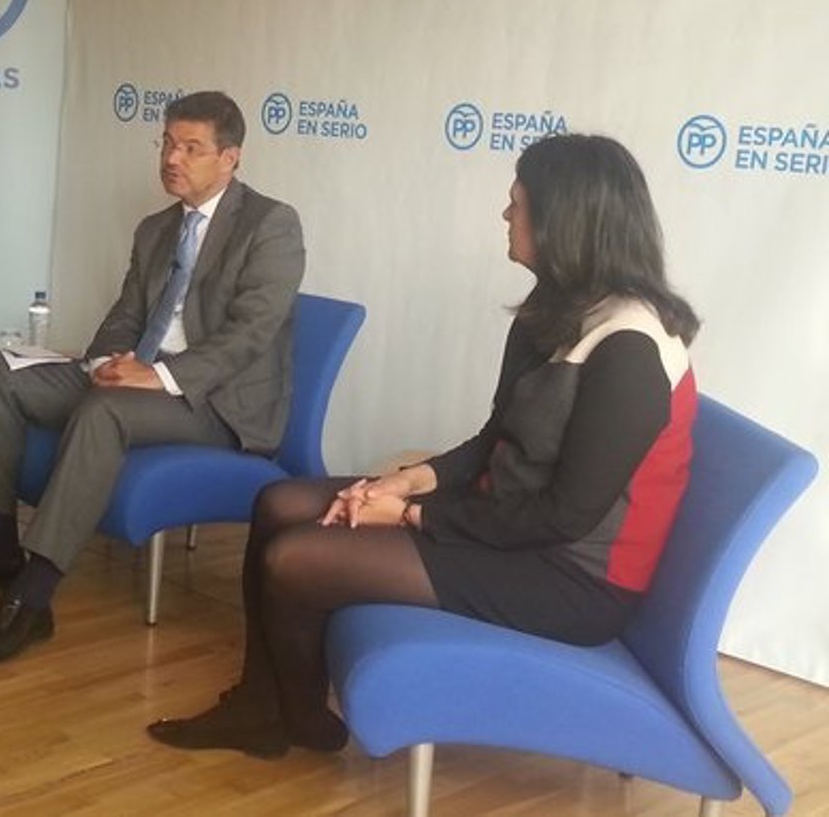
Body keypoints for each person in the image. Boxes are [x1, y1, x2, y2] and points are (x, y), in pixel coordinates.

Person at [147, 133, 700, 759]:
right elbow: (497, 438)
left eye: (518, 204)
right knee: (278, 503)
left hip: (569, 576)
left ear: (565, 221)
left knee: (295, 560)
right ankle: (261, 705)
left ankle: (291, 717)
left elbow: (566, 515)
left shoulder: (630, 347)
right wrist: (408, 481)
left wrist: (413, 516)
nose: (506, 215)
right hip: (507, 523)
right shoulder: (552, 312)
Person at [0, 90, 306, 666]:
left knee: (105, 411)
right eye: (167, 143)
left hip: (214, 404)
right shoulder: (155, 229)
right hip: (139, 380)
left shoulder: (271, 224)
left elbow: (252, 332)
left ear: (230, 158)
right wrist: (105, 363)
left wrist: (159, 376)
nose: (172, 158)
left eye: (191, 148)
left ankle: (33, 598)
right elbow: (124, 315)